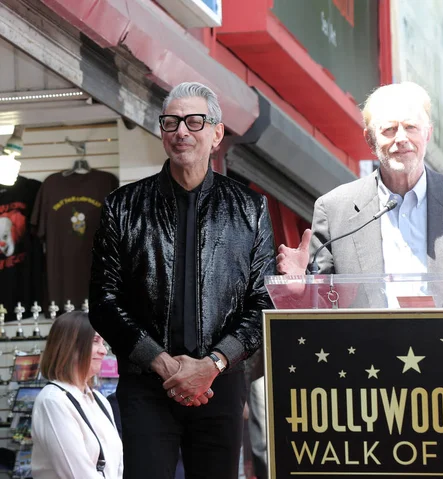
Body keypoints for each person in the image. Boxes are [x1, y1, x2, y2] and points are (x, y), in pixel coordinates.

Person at [89, 81, 276, 479]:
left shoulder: (249, 207)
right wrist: (161, 363)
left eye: (194, 121)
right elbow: (103, 301)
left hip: (219, 384)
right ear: (161, 131)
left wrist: (212, 363)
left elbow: (263, 301)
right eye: (171, 122)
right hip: (146, 384)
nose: (181, 132)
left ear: (217, 133)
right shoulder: (123, 206)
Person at [276, 81, 443, 278]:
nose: (401, 138)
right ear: (370, 140)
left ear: (428, 133)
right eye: (388, 129)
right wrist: (300, 287)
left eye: (411, 127)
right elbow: (320, 305)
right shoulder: (333, 210)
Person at [31, 311, 123, 478]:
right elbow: (77, 474)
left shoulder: (100, 401)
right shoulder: (52, 401)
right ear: (70, 345)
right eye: (95, 341)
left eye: (103, 343)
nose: (103, 351)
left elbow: (117, 466)